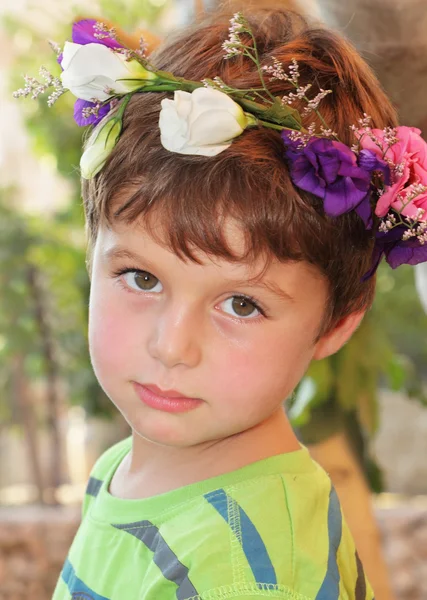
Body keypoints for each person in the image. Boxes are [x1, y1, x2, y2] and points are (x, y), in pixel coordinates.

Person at [15, 5, 427, 600]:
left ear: (337, 322)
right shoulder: (125, 467)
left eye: (240, 305)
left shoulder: (249, 573)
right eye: (142, 278)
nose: (171, 346)